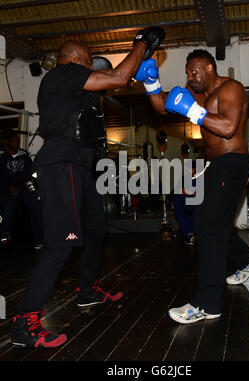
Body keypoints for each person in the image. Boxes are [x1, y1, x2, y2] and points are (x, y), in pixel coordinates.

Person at [11, 27, 165, 348]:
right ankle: (26, 322)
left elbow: (120, 77)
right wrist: (140, 45)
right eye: (91, 62)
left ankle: (88, 291)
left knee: (96, 229)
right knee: (62, 243)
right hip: (61, 163)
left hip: (81, 168)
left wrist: (143, 61)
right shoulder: (62, 75)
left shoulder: (78, 91)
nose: (95, 68)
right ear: (75, 59)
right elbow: (119, 77)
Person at [135, 49, 249, 324]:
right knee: (210, 220)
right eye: (186, 73)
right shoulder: (196, 94)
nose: (189, 78)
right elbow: (161, 106)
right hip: (214, 165)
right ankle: (247, 260)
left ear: (208, 67)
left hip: (233, 161)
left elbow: (228, 127)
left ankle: (206, 304)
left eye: (194, 72)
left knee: (207, 224)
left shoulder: (232, 89)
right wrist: (151, 83)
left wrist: (192, 110)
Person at [0, 133, 43, 249]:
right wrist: (9, 187)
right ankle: (4, 235)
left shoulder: (25, 157)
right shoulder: (3, 159)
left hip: (25, 186)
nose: (16, 143)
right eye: (13, 141)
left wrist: (31, 186)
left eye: (17, 141)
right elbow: (1, 178)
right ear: (8, 143)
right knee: (8, 204)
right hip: (10, 188)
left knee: (35, 204)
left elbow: (31, 174)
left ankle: (39, 240)